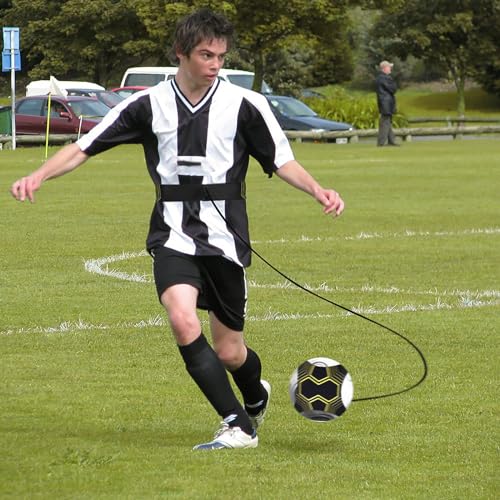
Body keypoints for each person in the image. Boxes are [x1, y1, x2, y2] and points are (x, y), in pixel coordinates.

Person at [10, 9, 344, 451]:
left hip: (226, 240)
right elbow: (83, 147)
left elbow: (281, 160)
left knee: (230, 352)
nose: (215, 65)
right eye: (206, 54)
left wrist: (318, 190)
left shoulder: (245, 104)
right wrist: (38, 175)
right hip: (171, 236)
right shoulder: (146, 104)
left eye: (221, 56)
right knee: (183, 319)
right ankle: (237, 425)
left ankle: (254, 392)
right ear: (181, 54)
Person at [376, 60, 399, 146]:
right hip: (386, 103)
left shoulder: (379, 78)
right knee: (385, 122)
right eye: (389, 67)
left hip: (384, 103)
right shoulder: (385, 78)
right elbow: (393, 89)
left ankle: (391, 141)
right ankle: (381, 142)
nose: (390, 69)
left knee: (387, 122)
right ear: (385, 68)